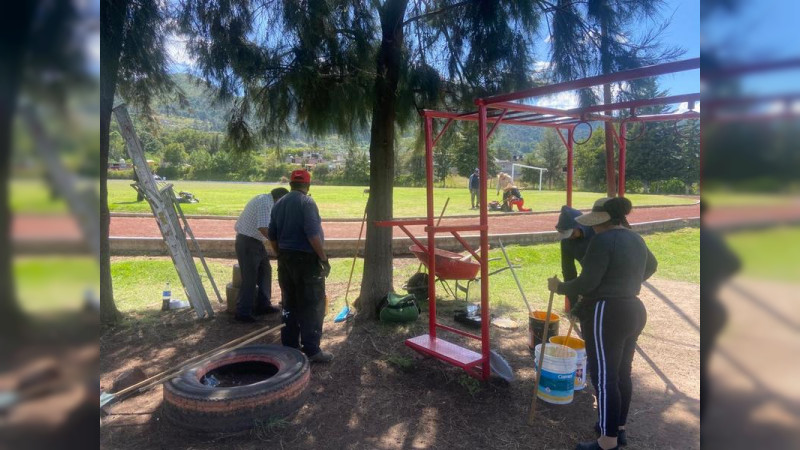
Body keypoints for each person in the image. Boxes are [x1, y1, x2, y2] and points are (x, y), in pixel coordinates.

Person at [547, 197, 657, 450]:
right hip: (634, 309)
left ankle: (607, 442)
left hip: (607, 311)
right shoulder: (634, 237)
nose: (592, 228)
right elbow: (652, 265)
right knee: (621, 374)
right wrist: (626, 281)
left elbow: (587, 283)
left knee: (605, 376)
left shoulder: (602, 240)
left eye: (594, 223)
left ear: (603, 221)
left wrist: (559, 287)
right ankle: (618, 429)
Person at [268, 170, 333, 363]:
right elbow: (313, 234)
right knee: (312, 304)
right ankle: (312, 350)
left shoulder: (279, 203)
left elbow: (272, 235)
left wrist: (280, 253)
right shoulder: (307, 202)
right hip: (306, 261)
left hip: (286, 260)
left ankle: (289, 346)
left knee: (290, 302)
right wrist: (323, 258)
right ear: (308, 185)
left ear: (290, 184)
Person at [232, 187, 289, 323]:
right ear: (280, 199)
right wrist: (277, 243)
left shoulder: (265, 200)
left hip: (255, 242)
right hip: (248, 242)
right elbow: (263, 228)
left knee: (265, 271)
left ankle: (263, 305)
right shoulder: (265, 203)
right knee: (250, 278)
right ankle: (243, 312)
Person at [555, 205, 596, 312]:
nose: (569, 238)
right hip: (588, 274)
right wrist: (573, 298)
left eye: (572, 234)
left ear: (580, 226)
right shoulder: (566, 241)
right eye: (566, 235)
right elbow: (568, 270)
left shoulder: (596, 233)